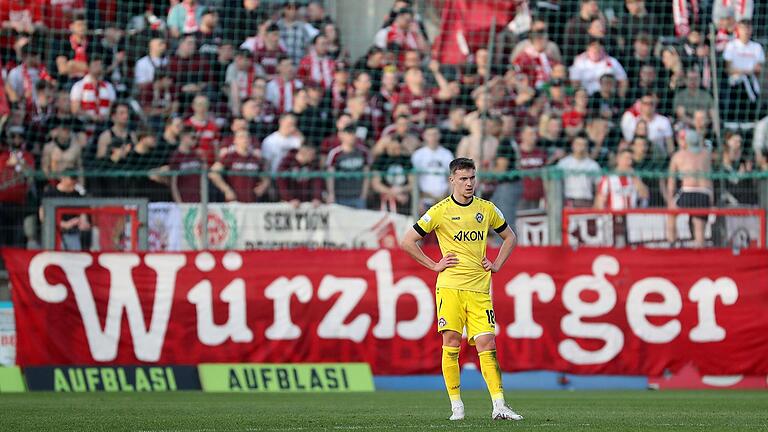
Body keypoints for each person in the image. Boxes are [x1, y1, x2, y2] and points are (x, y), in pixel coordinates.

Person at [399, 157, 523, 422]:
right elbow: (408, 241)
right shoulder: (440, 210)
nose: (469, 184)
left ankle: (499, 405)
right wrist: (434, 265)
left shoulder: (487, 209)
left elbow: (510, 236)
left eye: (472, 178)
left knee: (487, 343)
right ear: (452, 180)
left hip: (479, 288)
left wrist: (497, 264)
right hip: (450, 287)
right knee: (451, 342)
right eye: (463, 179)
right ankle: (457, 406)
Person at [667, 129, 712, 248]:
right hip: (704, 193)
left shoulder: (678, 156)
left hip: (688, 191)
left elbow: (671, 182)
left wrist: (670, 199)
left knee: (671, 214)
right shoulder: (706, 155)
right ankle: (700, 256)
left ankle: (672, 244)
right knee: (699, 227)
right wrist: (712, 197)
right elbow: (710, 178)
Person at [209, 130, 270, 203]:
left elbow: (266, 177)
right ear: (235, 141)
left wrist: (263, 186)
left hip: (252, 201)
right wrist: (226, 190)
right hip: (233, 202)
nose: (245, 139)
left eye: (247, 137)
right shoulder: (229, 156)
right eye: (241, 137)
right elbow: (213, 173)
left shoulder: (255, 158)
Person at [557, 135, 601, 208]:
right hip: (569, 200)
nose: (581, 147)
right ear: (573, 146)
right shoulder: (563, 163)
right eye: (578, 144)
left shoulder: (593, 165)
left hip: (587, 200)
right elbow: (558, 184)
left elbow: (598, 185)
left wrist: (597, 202)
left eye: (584, 144)